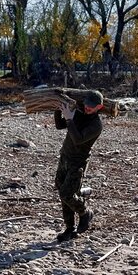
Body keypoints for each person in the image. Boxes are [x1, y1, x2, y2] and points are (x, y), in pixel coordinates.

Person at [54, 90, 104, 242]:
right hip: (65, 157)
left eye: (91, 107)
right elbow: (59, 125)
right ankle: (70, 228)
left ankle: (85, 213)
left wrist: (70, 120)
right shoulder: (79, 113)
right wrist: (58, 111)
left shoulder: (96, 125)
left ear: (99, 107)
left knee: (67, 194)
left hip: (78, 162)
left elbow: (78, 139)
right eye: (87, 104)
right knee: (62, 190)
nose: (88, 108)